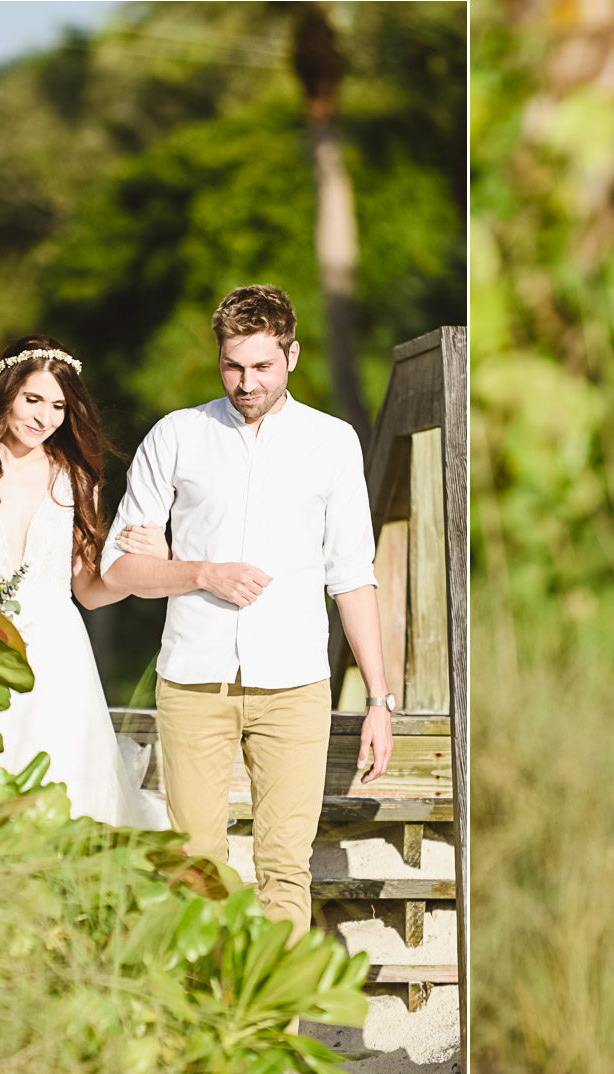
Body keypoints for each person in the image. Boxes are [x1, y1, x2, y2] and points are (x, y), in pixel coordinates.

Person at [101, 283, 395, 941]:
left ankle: (274, 1035)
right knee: (196, 870)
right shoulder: (176, 436)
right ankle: (210, 1031)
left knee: (285, 870)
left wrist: (380, 699)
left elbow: (353, 577)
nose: (246, 382)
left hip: (294, 687)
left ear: (292, 353)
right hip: (193, 682)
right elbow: (119, 572)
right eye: (233, 365)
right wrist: (198, 570)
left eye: (262, 366)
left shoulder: (333, 442)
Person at [0, 335, 171, 830]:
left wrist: (145, 565)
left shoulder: (75, 479)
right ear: (4, 394)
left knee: (62, 800)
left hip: (56, 659)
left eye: (58, 405)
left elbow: (90, 592)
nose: (45, 417)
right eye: (32, 399)